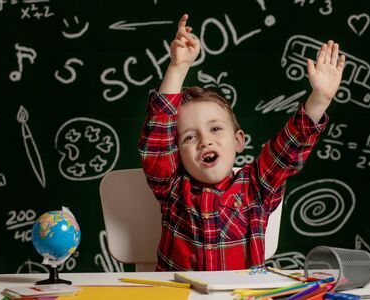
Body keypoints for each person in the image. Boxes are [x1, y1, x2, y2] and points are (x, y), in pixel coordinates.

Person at [138, 13, 346, 271]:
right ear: (176, 152)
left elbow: (287, 149)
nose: (205, 140)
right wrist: (177, 68)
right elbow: (158, 141)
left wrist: (320, 99)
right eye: (190, 137)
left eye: (215, 128)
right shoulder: (172, 188)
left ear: (238, 141)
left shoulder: (256, 187)